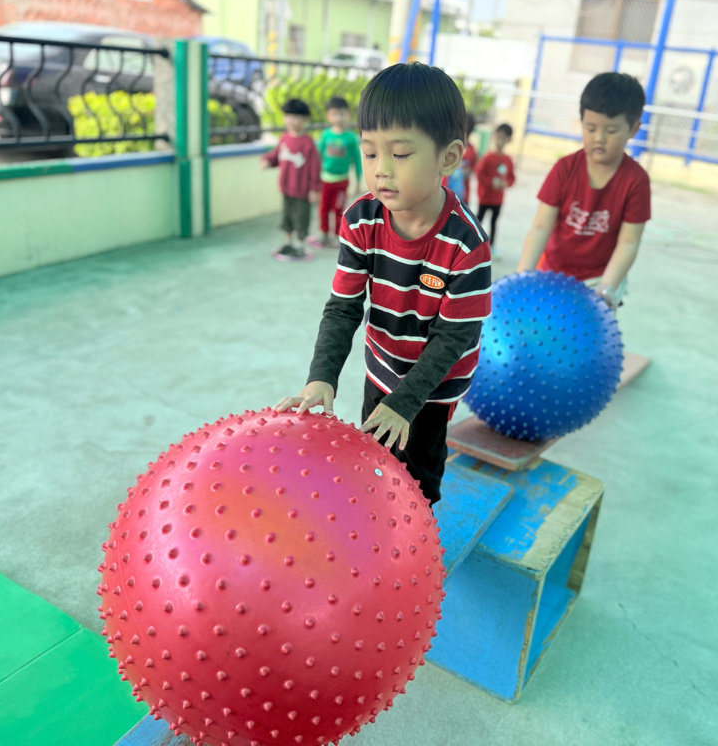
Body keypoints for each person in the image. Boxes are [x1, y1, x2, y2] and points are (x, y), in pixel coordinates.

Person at [275, 62, 492, 507]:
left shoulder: (467, 244)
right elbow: (343, 307)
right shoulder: (361, 219)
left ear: (449, 158)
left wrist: (404, 403)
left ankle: (417, 531)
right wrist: (321, 378)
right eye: (370, 153)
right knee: (372, 460)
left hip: (435, 384)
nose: (381, 170)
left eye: (401, 154)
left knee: (417, 479)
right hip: (382, 362)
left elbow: (453, 339)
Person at [516, 72, 650, 311]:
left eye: (611, 130)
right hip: (553, 272)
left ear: (634, 129)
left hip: (600, 279)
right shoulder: (564, 169)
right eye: (590, 128)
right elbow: (540, 227)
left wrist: (607, 288)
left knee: (591, 331)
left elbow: (629, 242)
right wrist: (522, 277)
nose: (599, 138)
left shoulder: (636, 181)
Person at [260, 99, 321, 261]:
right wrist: (267, 161)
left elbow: (315, 168)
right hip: (286, 188)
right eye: (288, 116)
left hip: (302, 191)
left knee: (301, 219)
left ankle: (300, 245)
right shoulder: (284, 138)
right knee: (287, 218)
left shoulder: (308, 143)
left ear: (305, 119)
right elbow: (276, 155)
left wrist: (314, 189)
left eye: (296, 117)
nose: (291, 121)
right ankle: (288, 242)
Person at [312, 96, 362, 249]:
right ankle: (324, 233)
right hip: (325, 181)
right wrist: (313, 181)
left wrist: (358, 181)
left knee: (338, 209)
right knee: (323, 209)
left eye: (342, 113)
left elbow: (357, 161)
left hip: (342, 182)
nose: (338, 118)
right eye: (334, 114)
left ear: (349, 115)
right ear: (328, 116)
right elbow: (317, 159)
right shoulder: (325, 136)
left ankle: (336, 236)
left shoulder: (351, 138)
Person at [474, 123, 515, 256]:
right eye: (499, 137)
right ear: (494, 136)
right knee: (478, 220)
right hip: (485, 197)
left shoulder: (508, 160)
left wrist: (505, 183)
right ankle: (472, 243)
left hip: (498, 199)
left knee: (494, 222)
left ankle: (491, 246)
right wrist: (491, 182)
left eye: (504, 138)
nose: (500, 141)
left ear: (509, 139)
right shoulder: (487, 157)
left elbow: (512, 178)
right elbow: (479, 174)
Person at [460, 114, 477, 204]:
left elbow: (470, 172)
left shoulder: (471, 151)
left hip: (462, 195)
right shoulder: (448, 146)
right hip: (446, 192)